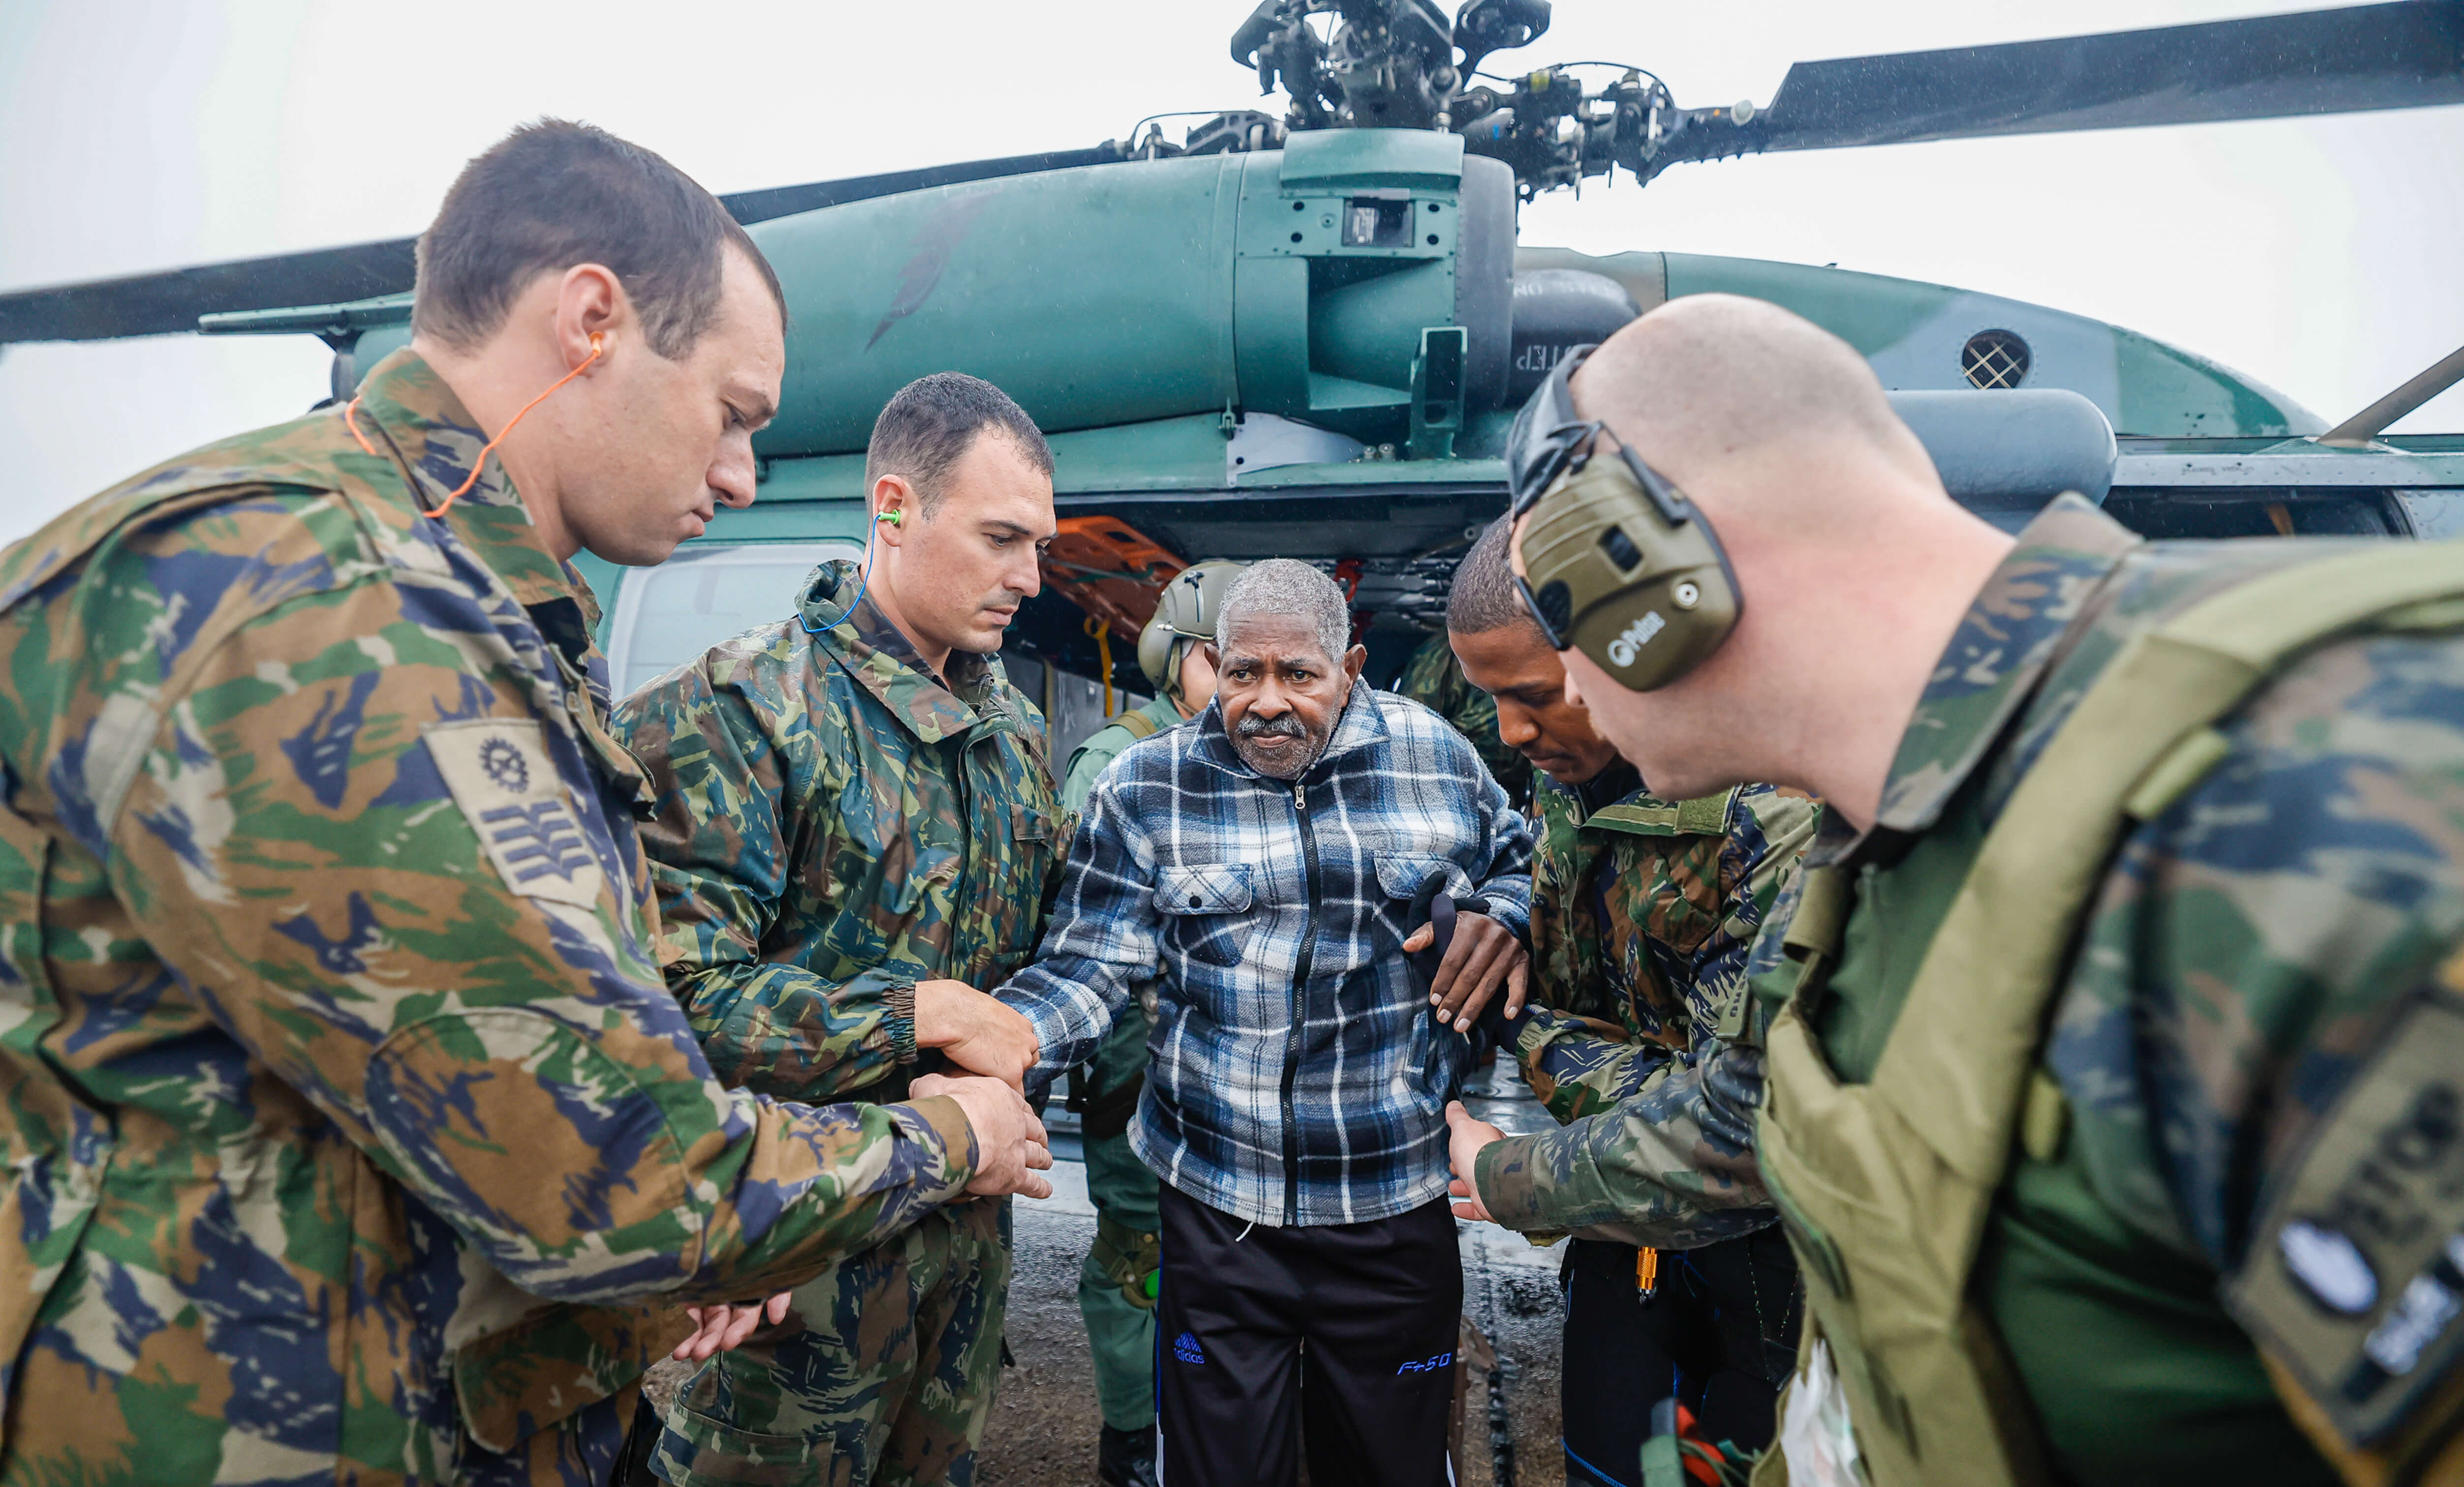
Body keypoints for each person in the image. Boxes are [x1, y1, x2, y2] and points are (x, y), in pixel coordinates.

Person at [0, 121, 1049, 1487]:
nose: (739, 476)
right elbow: (626, 1172)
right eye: (732, 414)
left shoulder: (447, 599)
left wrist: (627, 1297)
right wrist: (949, 1132)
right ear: (593, 320)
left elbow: (420, 1092)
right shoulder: (335, 608)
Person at [1490, 294, 2464, 1487]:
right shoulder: (1894, 846)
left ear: (1646, 567)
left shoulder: (2316, 803)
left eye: (1556, 613)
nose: (1567, 684)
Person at [612, 372, 1065, 1487]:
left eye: (1039, 544)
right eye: (1003, 537)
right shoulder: (746, 711)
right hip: (793, 1265)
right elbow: (671, 1003)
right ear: (896, 507)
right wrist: (917, 1009)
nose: (1030, 577)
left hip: (961, 1252)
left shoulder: (1008, 732)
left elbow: (1032, 970)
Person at [998, 558, 1537, 1487]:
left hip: (1390, 1205)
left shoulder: (1436, 758)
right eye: (1242, 672)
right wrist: (1001, 1059)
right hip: (1216, 1209)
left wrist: (1508, 912)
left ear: (1352, 666)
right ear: (1211, 662)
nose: (1265, 702)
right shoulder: (1146, 785)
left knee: (1388, 1467)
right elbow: (1088, 963)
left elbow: (1524, 863)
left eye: (1299, 675)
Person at [1438, 517, 1816, 1482]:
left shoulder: (1768, 809)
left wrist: (1528, 1044)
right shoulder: (1570, 766)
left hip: (1760, 1274)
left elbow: (1741, 1127)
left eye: (1532, 697)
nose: (1515, 734)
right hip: (1621, 1241)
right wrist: (1509, 915)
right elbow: (1554, 871)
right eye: (1492, 703)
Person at [1056, 557, 1247, 1487]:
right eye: (1220, 659)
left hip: (1243, 1070)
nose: (1241, 683)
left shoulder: (1274, 753)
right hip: (1137, 1056)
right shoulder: (1118, 763)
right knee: (1141, 1252)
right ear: (1172, 659)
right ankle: (1132, 1433)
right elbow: (1070, 930)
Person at [1394, 626, 1535, 806]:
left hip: (1508, 795)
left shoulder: (1531, 647)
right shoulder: (1444, 654)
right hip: (1448, 794)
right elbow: (1413, 735)